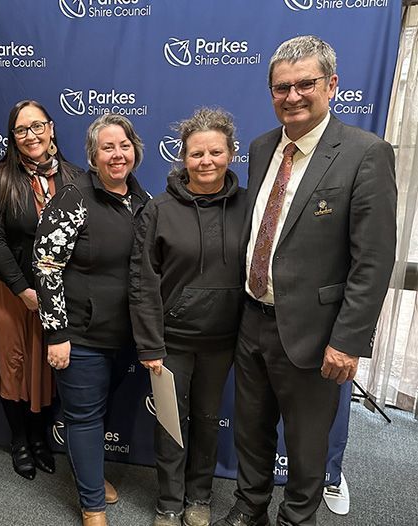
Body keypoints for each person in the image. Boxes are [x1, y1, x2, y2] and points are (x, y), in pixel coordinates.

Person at [214, 35, 396, 526]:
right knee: (250, 430)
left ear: (331, 85)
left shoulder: (366, 153)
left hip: (316, 334)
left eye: (305, 84)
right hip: (252, 320)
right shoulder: (261, 147)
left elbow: (373, 259)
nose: (292, 96)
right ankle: (249, 507)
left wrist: (349, 340)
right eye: (281, 87)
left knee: (307, 442)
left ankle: (296, 518)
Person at [130, 108, 246, 526]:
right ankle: (169, 501)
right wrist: (149, 343)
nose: (206, 161)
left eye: (216, 152)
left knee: (209, 421)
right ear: (183, 158)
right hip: (171, 342)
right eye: (197, 153)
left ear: (231, 153)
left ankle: (199, 496)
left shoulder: (249, 205)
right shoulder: (159, 210)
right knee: (170, 425)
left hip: (223, 341)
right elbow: (142, 280)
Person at [33, 114, 150, 526]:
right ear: (93, 156)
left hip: (125, 336)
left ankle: (92, 477)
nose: (117, 154)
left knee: (99, 414)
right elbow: (46, 266)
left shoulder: (143, 200)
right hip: (79, 336)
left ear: (135, 151)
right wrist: (56, 333)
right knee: (83, 418)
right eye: (107, 147)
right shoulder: (74, 197)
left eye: (124, 146)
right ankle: (92, 505)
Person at [0, 100, 83, 480]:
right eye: (21, 129)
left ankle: (40, 439)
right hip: (12, 292)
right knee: (14, 367)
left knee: (47, 367)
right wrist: (22, 288)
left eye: (37, 126)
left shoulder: (75, 178)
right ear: (13, 137)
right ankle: (19, 440)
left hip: (60, 296)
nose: (31, 135)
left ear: (51, 128)